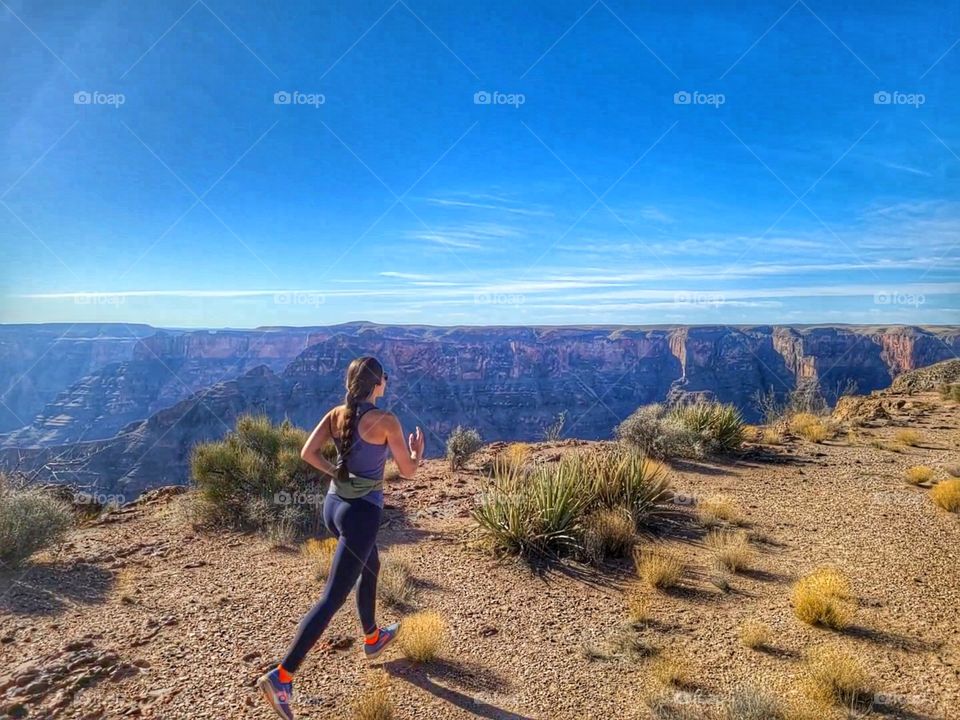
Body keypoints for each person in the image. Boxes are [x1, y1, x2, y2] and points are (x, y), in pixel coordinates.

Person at [258, 356, 425, 720]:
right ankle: (282, 676)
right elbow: (409, 471)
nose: (387, 381)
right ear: (378, 382)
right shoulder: (386, 421)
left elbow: (307, 452)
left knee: (372, 564)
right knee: (332, 598)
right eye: (385, 376)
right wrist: (416, 451)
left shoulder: (337, 413)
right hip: (361, 515)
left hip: (333, 506)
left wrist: (337, 471)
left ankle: (372, 637)